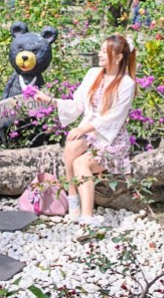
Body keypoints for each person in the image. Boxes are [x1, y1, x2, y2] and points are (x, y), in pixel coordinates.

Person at [33, 34, 136, 225]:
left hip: (110, 138)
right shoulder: (93, 74)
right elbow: (78, 104)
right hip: (91, 131)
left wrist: (83, 129)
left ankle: (87, 216)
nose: (100, 54)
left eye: (105, 51)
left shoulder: (126, 84)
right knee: (71, 145)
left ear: (119, 57)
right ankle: (73, 201)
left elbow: (113, 118)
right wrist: (50, 101)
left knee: (81, 163)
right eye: (101, 50)